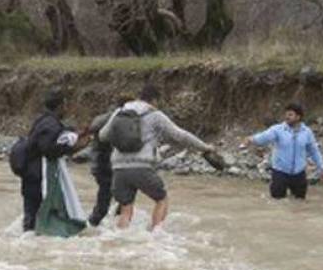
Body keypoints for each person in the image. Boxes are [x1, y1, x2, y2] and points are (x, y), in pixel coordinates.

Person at [97, 84, 217, 231]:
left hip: (118, 168)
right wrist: (205, 147)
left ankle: (120, 239)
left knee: (126, 209)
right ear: (154, 100)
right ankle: (155, 236)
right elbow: (180, 135)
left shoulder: (119, 112)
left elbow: (102, 135)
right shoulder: (154, 114)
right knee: (161, 199)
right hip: (142, 167)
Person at [20, 90, 88, 237]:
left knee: (31, 219)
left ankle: (29, 245)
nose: (66, 108)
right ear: (60, 106)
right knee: (40, 215)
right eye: (65, 105)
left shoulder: (42, 121)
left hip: (30, 174)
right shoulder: (50, 125)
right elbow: (48, 150)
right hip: (39, 177)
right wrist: (74, 147)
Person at [246, 102, 323, 201]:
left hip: (299, 173)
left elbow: (314, 151)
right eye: (286, 114)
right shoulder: (278, 130)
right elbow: (264, 137)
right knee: (277, 203)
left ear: (298, 117)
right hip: (280, 173)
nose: (287, 117)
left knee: (299, 203)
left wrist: (322, 168)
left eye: (290, 115)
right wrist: (251, 139)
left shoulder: (307, 132)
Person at [83, 94, 133, 227]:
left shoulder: (104, 117)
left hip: (104, 163)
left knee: (120, 194)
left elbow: (91, 128)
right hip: (104, 163)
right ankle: (93, 224)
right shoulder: (113, 118)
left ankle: (113, 222)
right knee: (106, 197)